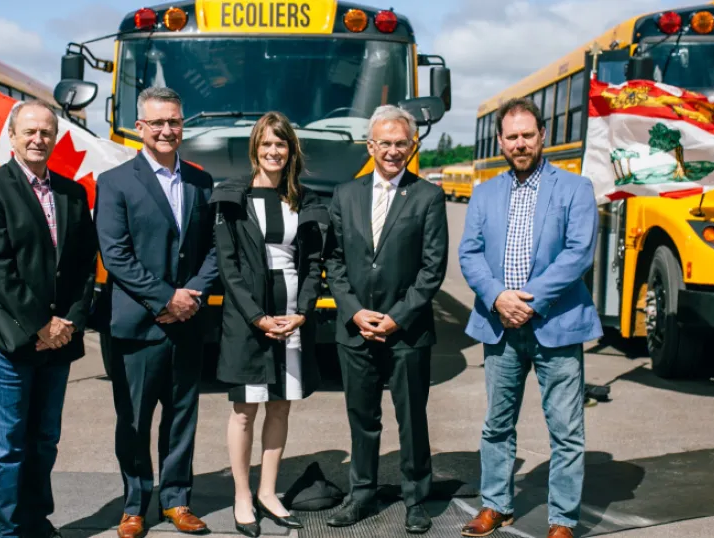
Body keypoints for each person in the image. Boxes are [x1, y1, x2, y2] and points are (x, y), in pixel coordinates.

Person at [457, 97, 601, 538]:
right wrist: (499, 296)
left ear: (543, 137)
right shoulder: (485, 193)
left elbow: (579, 253)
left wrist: (530, 301)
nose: (520, 143)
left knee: (566, 429)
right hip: (499, 325)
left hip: (556, 324)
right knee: (497, 423)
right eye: (512, 136)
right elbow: (470, 253)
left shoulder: (575, 189)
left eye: (527, 135)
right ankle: (496, 505)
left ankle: (562, 518)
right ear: (501, 141)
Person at [0, 100, 98, 538]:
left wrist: (70, 321)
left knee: (44, 439)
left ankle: (36, 521)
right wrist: (41, 323)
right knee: (7, 445)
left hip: (58, 337)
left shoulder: (72, 193)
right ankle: (6, 531)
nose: (38, 139)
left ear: (55, 137)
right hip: (6, 333)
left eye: (46, 132)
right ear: (13, 138)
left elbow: (82, 265)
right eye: (30, 132)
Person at [93, 86, 218, 538]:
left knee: (182, 416)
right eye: (158, 122)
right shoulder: (115, 182)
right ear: (140, 127)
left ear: (183, 125)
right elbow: (116, 254)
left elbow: (214, 250)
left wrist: (193, 296)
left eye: (175, 122)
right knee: (134, 421)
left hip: (188, 324)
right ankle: (133, 505)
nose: (167, 130)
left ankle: (177, 499)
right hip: (137, 326)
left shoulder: (202, 183)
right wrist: (166, 298)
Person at [323, 105, 448, 534]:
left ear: (412, 146)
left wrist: (396, 318)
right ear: (370, 146)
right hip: (355, 329)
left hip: (407, 331)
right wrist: (354, 311)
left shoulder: (428, 196)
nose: (393, 151)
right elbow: (334, 262)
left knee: (412, 419)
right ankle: (361, 494)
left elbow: (433, 269)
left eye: (401, 144)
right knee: (362, 418)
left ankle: (416, 498)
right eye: (385, 143)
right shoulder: (345, 194)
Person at [209, 112, 328, 538]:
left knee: (280, 405)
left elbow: (314, 263)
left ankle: (268, 491)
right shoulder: (231, 197)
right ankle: (242, 495)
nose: (274, 152)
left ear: (291, 150)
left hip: (292, 315)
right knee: (245, 411)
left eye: (281, 145)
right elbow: (229, 267)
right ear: (255, 150)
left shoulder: (306, 199)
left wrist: (303, 311)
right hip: (247, 319)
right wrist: (258, 317)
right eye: (266, 145)